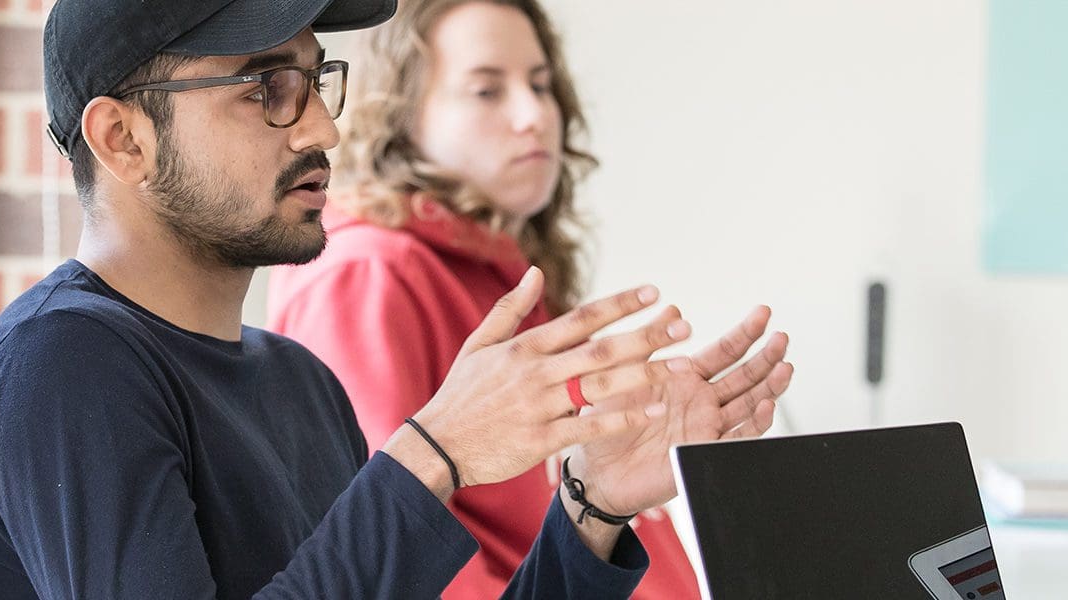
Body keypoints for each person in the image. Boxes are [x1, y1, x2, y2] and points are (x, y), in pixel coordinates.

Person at [0, 0, 792, 598]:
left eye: (314, 79)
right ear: (123, 139)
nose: (323, 128)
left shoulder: (295, 380)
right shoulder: (64, 371)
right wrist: (434, 452)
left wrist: (592, 508)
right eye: (268, 89)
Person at [267, 1, 794, 598]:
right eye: (487, 91)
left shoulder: (512, 273)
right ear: (403, 114)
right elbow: (387, 555)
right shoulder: (367, 274)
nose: (533, 115)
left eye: (541, 86)